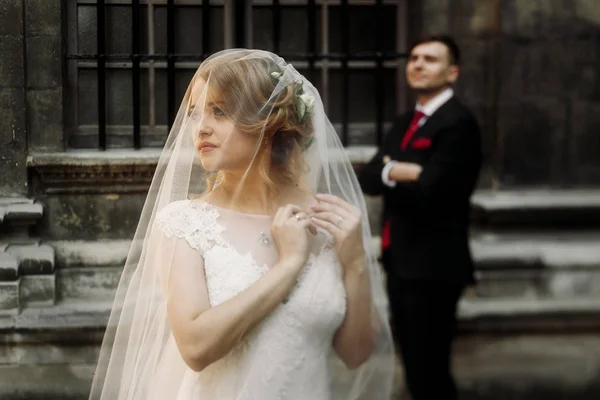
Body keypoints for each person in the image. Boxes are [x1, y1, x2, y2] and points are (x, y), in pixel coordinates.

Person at [88, 49, 395, 400]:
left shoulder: (328, 220)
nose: (200, 127)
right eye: (194, 113)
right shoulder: (185, 224)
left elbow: (355, 355)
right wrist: (289, 265)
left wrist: (355, 263)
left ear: (267, 121)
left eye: (219, 111)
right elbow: (196, 348)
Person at [358, 35, 483, 400]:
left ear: (452, 72)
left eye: (430, 59)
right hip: (400, 261)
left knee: (431, 371)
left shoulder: (459, 122)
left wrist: (390, 169)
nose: (417, 64)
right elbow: (368, 177)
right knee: (414, 366)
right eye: (413, 58)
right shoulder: (404, 122)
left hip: (435, 267)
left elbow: (436, 187)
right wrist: (403, 171)